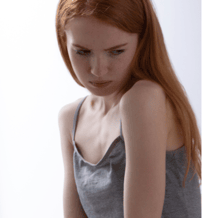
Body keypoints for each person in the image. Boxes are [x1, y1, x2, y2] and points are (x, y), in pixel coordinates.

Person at [55, 0, 201, 217]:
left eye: (115, 52)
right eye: (83, 52)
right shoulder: (71, 119)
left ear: (141, 41)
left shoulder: (143, 99)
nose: (98, 70)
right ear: (64, 42)